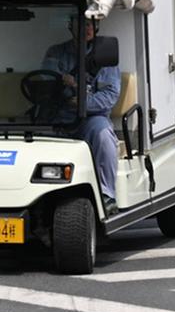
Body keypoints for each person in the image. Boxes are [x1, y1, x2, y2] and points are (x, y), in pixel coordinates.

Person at [38, 22, 119, 203]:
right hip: (59, 115)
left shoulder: (105, 54)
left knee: (104, 135)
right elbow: (46, 80)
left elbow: (109, 96)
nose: (87, 28)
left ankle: (107, 194)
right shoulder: (56, 52)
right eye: (81, 23)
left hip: (91, 117)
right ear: (71, 26)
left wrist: (82, 101)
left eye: (91, 23)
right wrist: (63, 89)